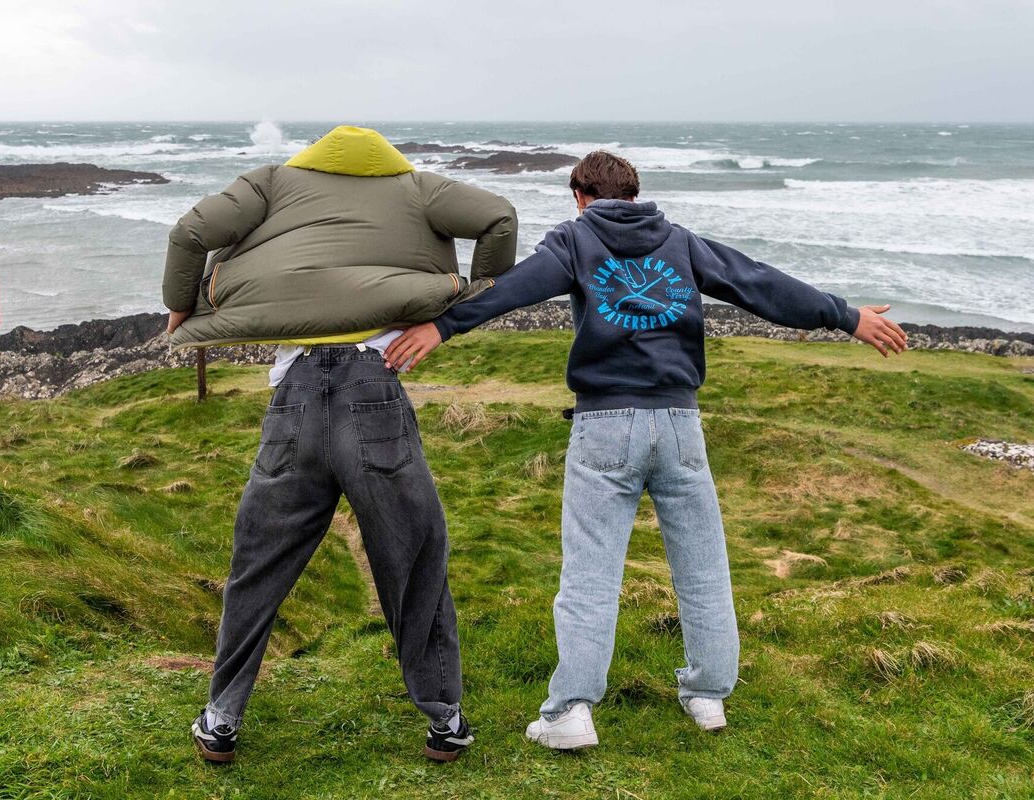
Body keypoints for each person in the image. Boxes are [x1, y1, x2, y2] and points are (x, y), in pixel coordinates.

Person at [384, 150, 906, 750]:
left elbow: (514, 289)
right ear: (636, 195)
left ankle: (571, 712)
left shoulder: (575, 240)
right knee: (703, 567)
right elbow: (758, 282)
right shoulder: (680, 242)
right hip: (681, 424)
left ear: (579, 196)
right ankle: (708, 695)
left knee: (590, 574)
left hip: (605, 423)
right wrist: (846, 316)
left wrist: (442, 325)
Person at [161, 125, 517, 762]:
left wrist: (181, 308)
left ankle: (221, 717)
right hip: (372, 389)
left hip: (294, 395)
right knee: (414, 555)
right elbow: (498, 217)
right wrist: (465, 307)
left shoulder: (271, 183)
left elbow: (190, 234)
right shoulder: (417, 188)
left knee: (258, 563)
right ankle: (445, 719)